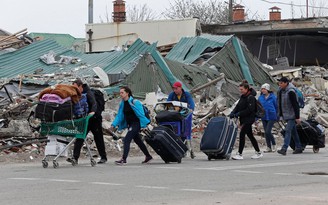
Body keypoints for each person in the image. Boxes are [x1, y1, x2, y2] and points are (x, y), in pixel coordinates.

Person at [110, 86, 153, 165]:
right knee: (138, 140)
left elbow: (141, 115)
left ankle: (124, 159)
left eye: (122, 93)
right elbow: (119, 115)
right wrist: (113, 125)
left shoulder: (135, 102)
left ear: (127, 93)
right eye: (120, 93)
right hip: (130, 124)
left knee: (127, 139)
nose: (121, 94)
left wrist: (144, 125)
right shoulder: (123, 104)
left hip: (136, 124)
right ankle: (148, 156)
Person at [70, 78, 107, 164]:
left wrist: (92, 112)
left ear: (80, 86)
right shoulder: (77, 94)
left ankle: (103, 157)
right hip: (84, 120)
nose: (74, 90)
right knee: (79, 137)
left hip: (94, 119)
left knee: (98, 138)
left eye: (75, 88)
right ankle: (75, 158)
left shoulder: (88, 93)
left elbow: (94, 103)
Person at [229, 80, 263, 160]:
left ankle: (240, 154)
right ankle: (258, 152)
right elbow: (238, 106)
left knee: (242, 135)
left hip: (249, 119)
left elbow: (250, 110)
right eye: (240, 89)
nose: (240, 91)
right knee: (250, 135)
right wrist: (233, 113)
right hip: (243, 119)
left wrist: (239, 113)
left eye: (242, 89)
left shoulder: (250, 97)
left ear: (247, 89)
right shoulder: (242, 97)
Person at [276, 77, 303, 155]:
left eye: (281, 83)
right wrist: (279, 114)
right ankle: (298, 147)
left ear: (285, 83)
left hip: (292, 115)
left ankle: (284, 148)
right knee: (293, 131)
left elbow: (295, 105)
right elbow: (279, 103)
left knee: (287, 130)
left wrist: (297, 117)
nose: (279, 84)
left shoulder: (291, 92)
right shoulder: (281, 91)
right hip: (286, 115)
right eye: (279, 83)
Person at [258, 83, 278, 153]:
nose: (263, 90)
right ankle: (268, 146)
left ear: (268, 89)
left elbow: (276, 106)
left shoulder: (273, 97)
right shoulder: (260, 98)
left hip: (272, 116)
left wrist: (277, 115)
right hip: (264, 116)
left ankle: (274, 144)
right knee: (266, 133)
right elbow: (259, 107)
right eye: (262, 89)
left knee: (268, 131)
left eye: (264, 89)